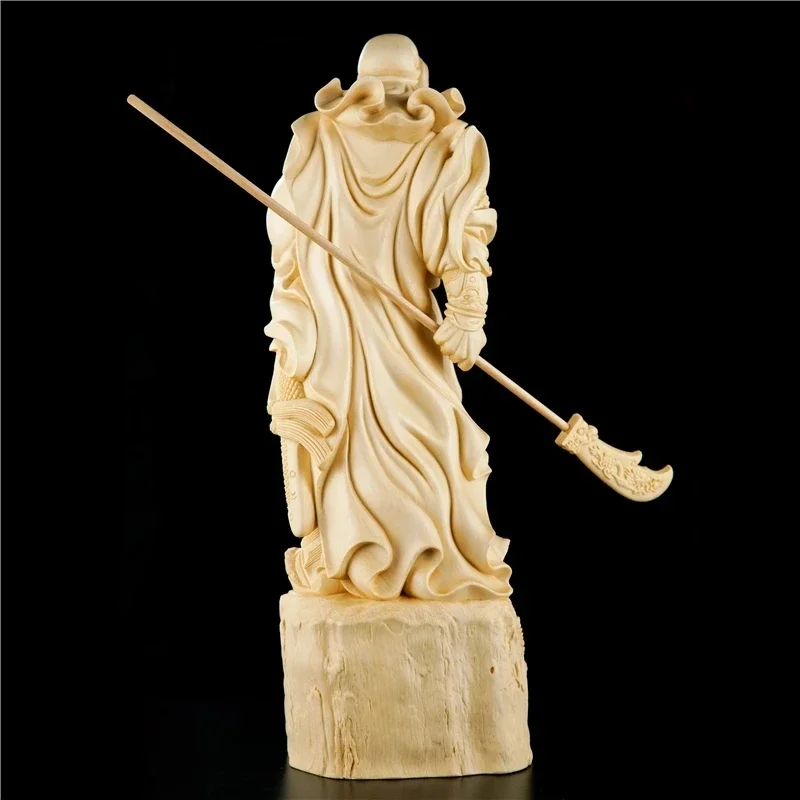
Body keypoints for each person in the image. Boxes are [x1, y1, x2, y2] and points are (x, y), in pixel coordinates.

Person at [264, 33, 512, 601]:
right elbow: (461, 234)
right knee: (401, 445)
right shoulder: (431, 147)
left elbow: (285, 245)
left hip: (374, 335)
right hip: (345, 335)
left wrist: (467, 312)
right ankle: (361, 560)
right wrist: (467, 309)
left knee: (416, 446)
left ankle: (386, 559)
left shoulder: (321, 142)